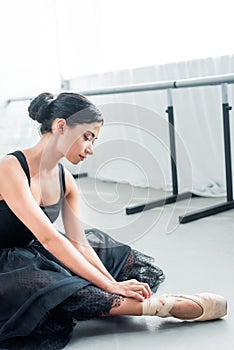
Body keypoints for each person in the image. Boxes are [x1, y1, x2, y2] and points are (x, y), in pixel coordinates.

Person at [0, 92, 227, 349]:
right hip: (5, 262)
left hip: (31, 250)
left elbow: (79, 242)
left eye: (94, 140)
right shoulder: (10, 167)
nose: (91, 149)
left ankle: (101, 300)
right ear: (61, 126)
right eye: (87, 137)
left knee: (115, 257)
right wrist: (109, 285)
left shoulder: (67, 181)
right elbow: (49, 238)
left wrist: (113, 283)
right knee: (46, 283)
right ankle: (161, 307)